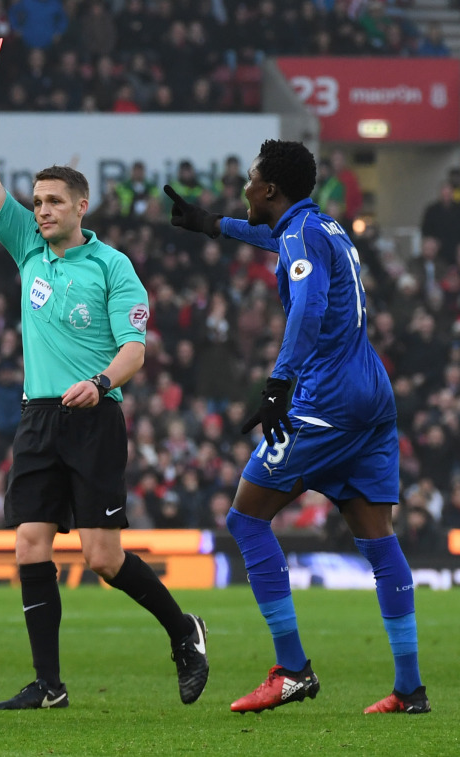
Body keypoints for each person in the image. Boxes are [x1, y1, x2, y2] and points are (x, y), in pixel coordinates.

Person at [0, 60, 209, 711]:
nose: (40, 210)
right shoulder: (26, 249)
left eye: (52, 202)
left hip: (97, 415)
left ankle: (185, 631)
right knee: (28, 543)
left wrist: (99, 383)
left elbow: (136, 350)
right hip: (38, 416)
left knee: (102, 557)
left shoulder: (113, 266)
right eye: (36, 201)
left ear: (81, 206)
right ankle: (48, 685)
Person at [165, 139, 430, 715]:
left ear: (269, 189)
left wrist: (276, 386)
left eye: (251, 180)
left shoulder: (302, 235)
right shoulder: (322, 227)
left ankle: (292, 670)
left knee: (246, 517)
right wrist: (215, 226)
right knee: (378, 539)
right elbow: (273, 238)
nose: (244, 187)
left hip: (326, 401)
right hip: (371, 396)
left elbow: (308, 308)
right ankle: (410, 690)